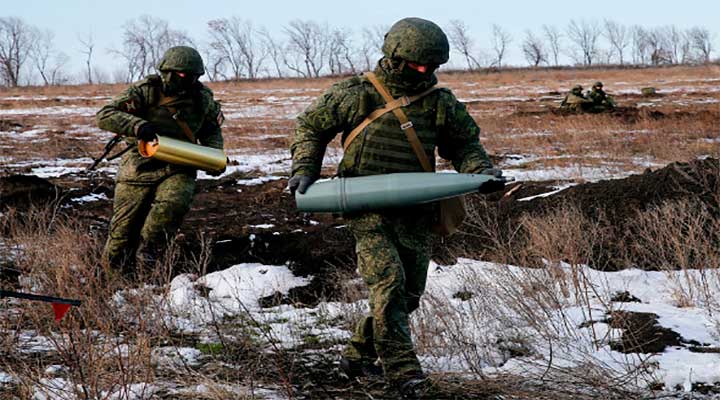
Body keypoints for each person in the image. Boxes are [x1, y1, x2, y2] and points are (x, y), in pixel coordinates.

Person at [288, 17, 498, 398]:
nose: (425, 71)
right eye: (418, 64)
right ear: (396, 56)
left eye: (432, 66)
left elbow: (465, 145)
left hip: (417, 210)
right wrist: (304, 169)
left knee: (409, 297)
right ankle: (404, 375)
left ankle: (356, 353)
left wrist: (481, 172)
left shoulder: (440, 103)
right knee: (388, 285)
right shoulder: (356, 93)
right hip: (365, 208)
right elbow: (311, 127)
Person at [96, 46, 225, 273]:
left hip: (180, 163)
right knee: (122, 233)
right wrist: (138, 126)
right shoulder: (145, 91)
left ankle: (149, 262)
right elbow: (105, 114)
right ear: (167, 72)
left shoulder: (202, 99)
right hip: (139, 164)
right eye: (182, 75)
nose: (187, 80)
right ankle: (110, 279)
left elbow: (211, 129)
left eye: (193, 76)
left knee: (172, 206)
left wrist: (213, 157)